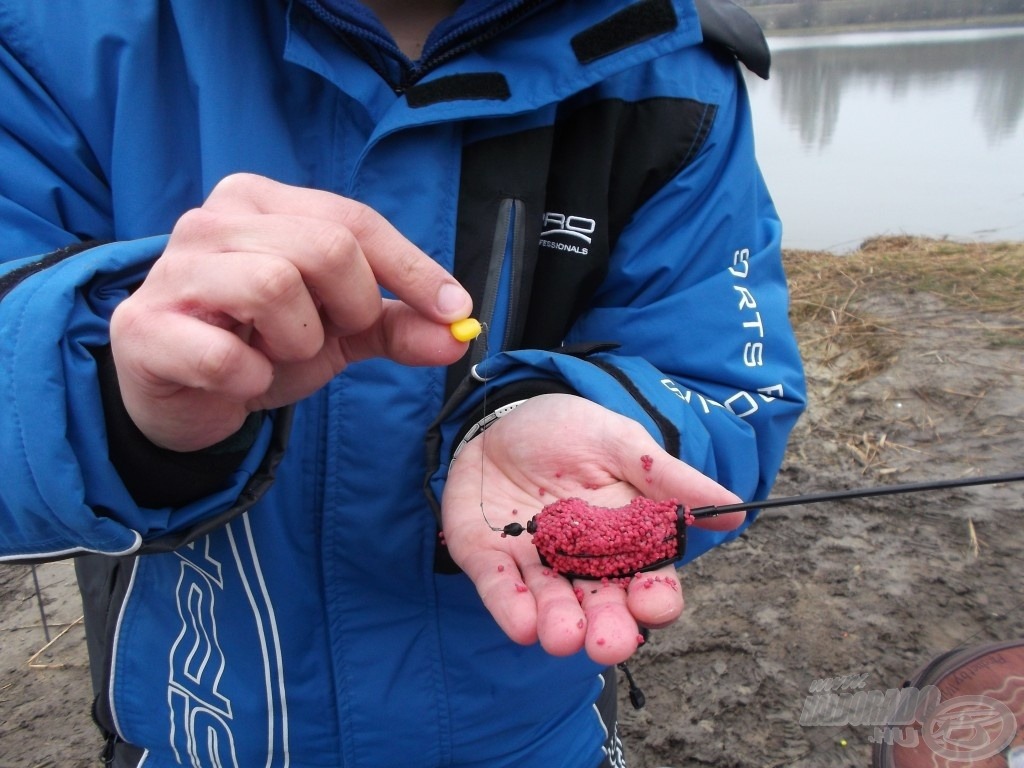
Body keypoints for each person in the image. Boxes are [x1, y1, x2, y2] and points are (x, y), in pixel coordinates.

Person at [0, 0, 805, 766]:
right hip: (194, 734)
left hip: (540, 734)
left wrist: (580, 412)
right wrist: (119, 399)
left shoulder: (673, 69)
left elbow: (728, 389)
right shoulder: (48, 38)